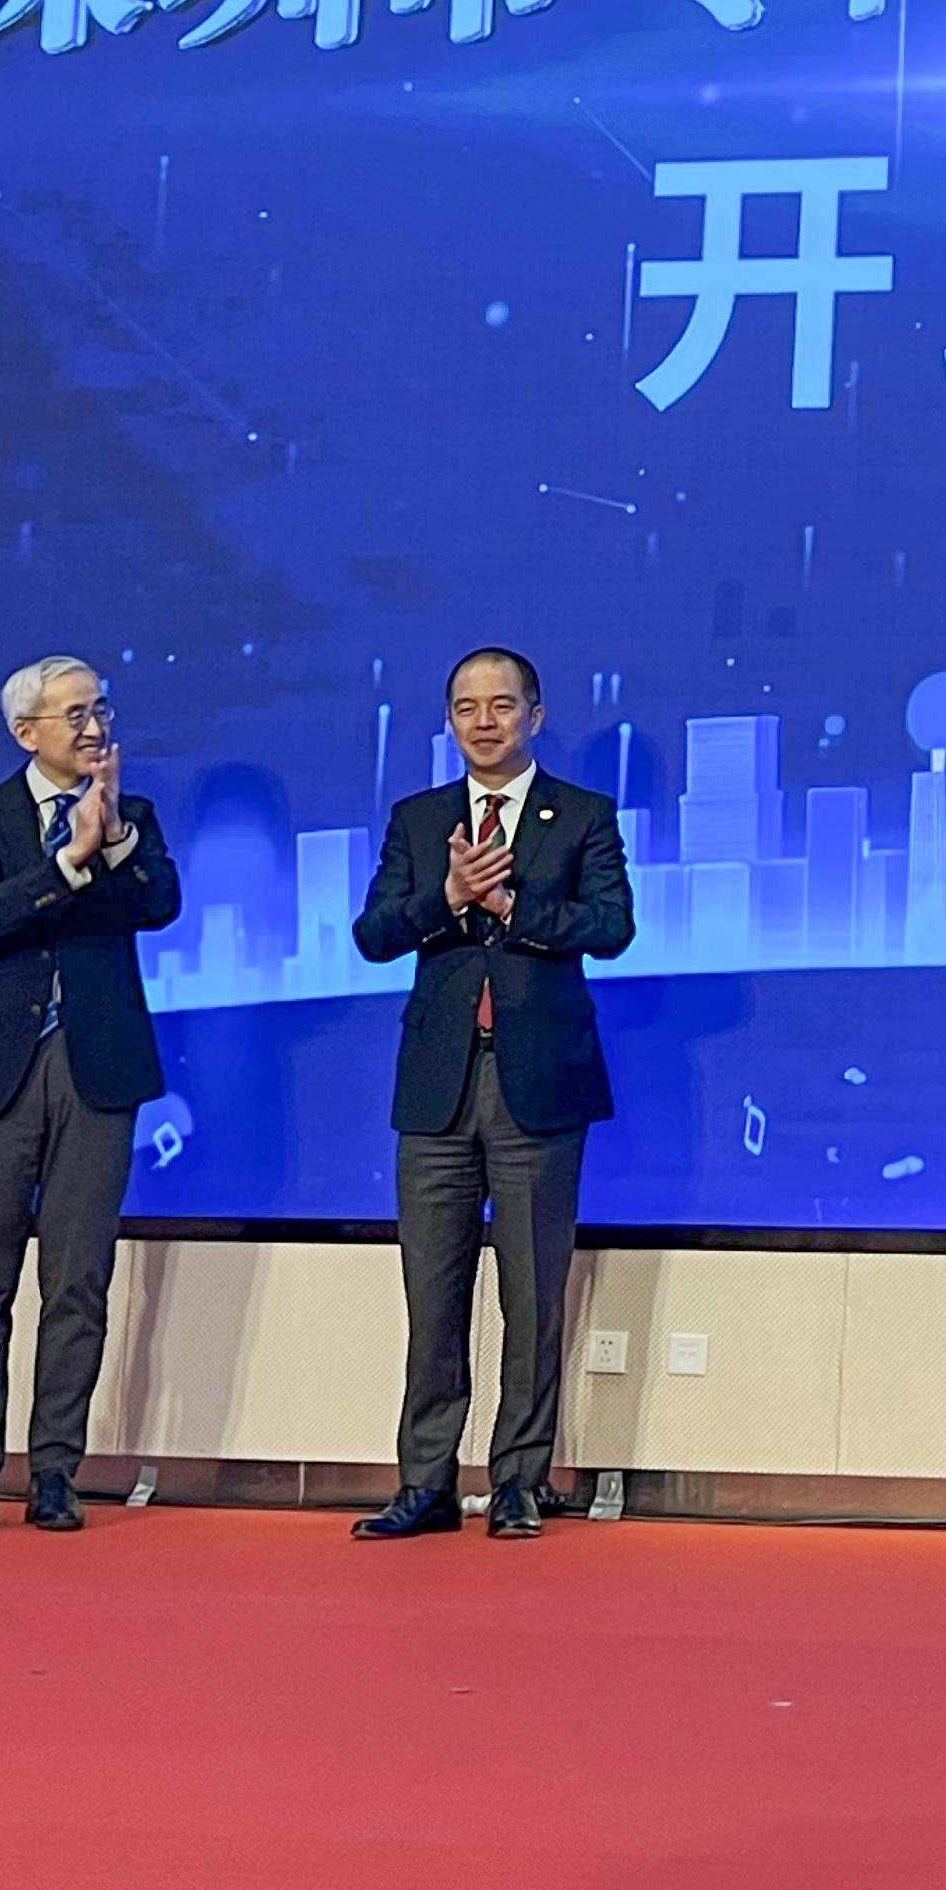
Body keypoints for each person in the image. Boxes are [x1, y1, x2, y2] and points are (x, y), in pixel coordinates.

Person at [349, 647, 635, 1543]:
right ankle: (425, 1483)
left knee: (534, 1294)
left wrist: (514, 908)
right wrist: (446, 896)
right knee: (432, 1295)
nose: (484, 721)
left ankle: (518, 1480)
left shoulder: (580, 816)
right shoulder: (419, 818)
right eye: (466, 707)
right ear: (448, 720)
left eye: (502, 705)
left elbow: (613, 927)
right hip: (437, 1091)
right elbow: (373, 933)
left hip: (537, 1089)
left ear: (535, 716)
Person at [0, 658, 182, 1535]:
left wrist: (108, 842)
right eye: (73, 712)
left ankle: (58, 1470)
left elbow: (162, 905)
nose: (93, 725)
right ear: (27, 731)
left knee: (78, 1281)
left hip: (97, 1067)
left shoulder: (131, 817)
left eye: (100, 708)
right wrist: (66, 864)